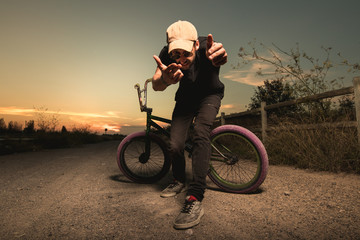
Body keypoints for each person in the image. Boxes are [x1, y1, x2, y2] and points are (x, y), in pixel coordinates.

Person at [152, 20, 227, 229]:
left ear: (195, 45)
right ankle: (178, 179)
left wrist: (221, 57)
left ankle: (194, 197)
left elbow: (220, 54)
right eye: (176, 54)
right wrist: (165, 80)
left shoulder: (206, 47)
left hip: (209, 95)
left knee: (200, 133)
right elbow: (157, 83)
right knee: (175, 144)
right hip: (185, 99)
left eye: (186, 53)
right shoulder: (166, 54)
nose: (181, 59)